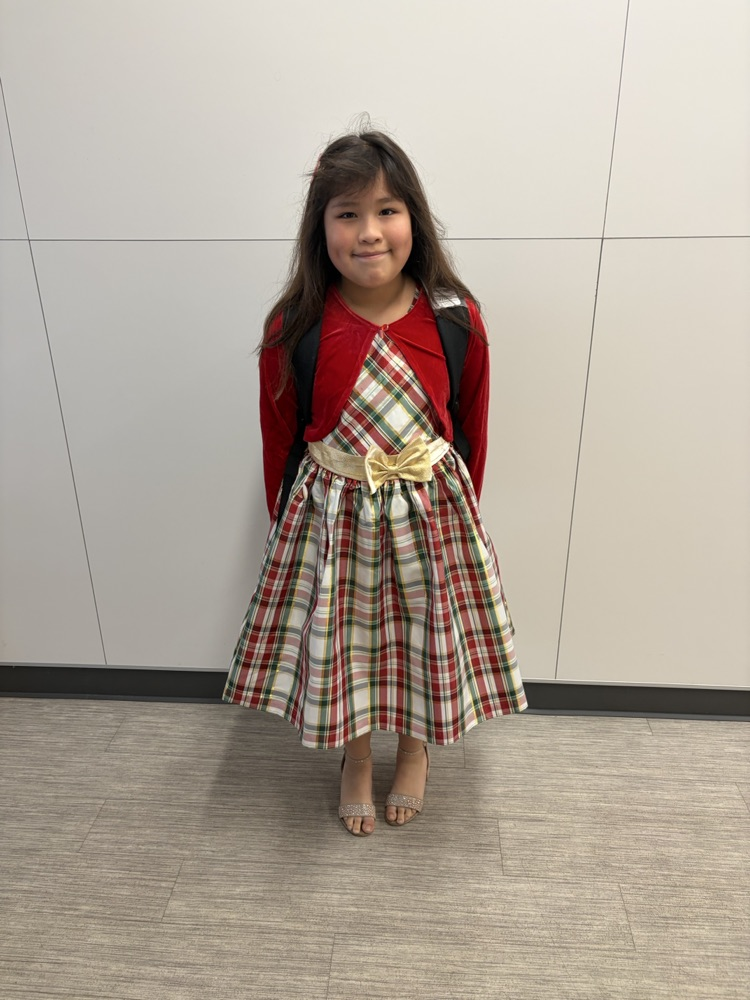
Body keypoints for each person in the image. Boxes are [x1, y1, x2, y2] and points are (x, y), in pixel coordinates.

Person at [222, 128, 527, 836]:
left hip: (431, 520)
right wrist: (285, 526)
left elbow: (470, 430)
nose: (369, 233)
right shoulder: (295, 324)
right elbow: (281, 439)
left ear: (413, 219)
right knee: (349, 640)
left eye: (386, 210)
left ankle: (414, 749)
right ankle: (355, 756)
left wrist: (463, 520)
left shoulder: (455, 319)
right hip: (337, 520)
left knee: (423, 633)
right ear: (320, 226)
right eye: (347, 213)